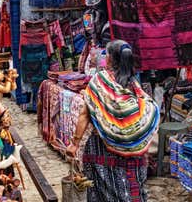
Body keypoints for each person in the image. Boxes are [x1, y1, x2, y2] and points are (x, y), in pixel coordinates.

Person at [66, 40, 159, 202]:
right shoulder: (133, 84)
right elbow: (146, 109)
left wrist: (75, 143)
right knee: (132, 189)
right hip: (133, 152)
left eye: (106, 54)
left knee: (100, 190)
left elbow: (84, 114)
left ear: (110, 58)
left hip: (102, 147)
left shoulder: (100, 81)